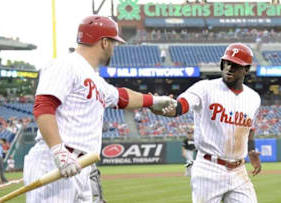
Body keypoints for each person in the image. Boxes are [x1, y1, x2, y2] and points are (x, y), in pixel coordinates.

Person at [23, 15, 176, 203]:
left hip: (81, 166)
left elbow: (122, 97)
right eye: (113, 42)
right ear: (104, 42)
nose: (114, 48)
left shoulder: (94, 78)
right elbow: (43, 106)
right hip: (55, 162)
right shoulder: (65, 64)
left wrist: (154, 101)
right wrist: (59, 151)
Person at [153, 43, 262, 203]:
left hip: (239, 171)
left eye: (235, 65)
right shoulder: (205, 88)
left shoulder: (254, 98)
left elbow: (249, 128)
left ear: (246, 69)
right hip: (209, 168)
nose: (229, 67)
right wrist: (164, 106)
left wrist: (251, 150)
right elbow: (181, 105)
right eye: (227, 62)